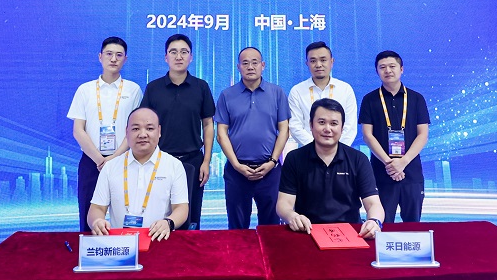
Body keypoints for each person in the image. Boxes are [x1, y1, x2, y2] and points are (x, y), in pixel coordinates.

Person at [277, 98, 384, 238]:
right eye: (321, 122)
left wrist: (374, 221)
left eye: (334, 123)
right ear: (311, 125)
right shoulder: (294, 158)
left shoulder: (358, 159)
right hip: (307, 232)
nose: (327, 129)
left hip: (351, 233)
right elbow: (283, 204)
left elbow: (373, 203)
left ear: (342, 128)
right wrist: (292, 216)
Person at [140, 33, 216, 230]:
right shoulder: (153, 88)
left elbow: (208, 124)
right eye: (173, 52)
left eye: (184, 52)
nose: (179, 56)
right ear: (166, 57)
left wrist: (206, 161)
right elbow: (145, 124)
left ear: (191, 57)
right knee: (158, 215)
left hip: (193, 161)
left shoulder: (201, 87)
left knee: (191, 217)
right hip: (160, 161)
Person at [67, 36, 143, 232]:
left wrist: (114, 158)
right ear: (100, 57)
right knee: (88, 214)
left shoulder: (133, 90)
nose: (113, 59)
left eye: (119, 55)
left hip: (124, 160)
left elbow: (135, 129)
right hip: (92, 161)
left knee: (127, 214)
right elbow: (78, 130)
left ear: (125, 59)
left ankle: (127, 248)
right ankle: (90, 248)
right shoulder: (85, 90)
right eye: (109, 54)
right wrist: (100, 159)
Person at [214, 47, 290, 229]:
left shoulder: (277, 93)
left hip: (270, 170)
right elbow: (221, 133)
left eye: (255, 62)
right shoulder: (226, 95)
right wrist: (236, 165)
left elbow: (284, 130)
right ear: (238, 67)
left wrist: (272, 162)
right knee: (237, 228)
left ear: (263, 65)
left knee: (272, 227)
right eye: (245, 63)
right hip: (237, 171)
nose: (250, 67)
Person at [87, 108, 188, 241]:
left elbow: (181, 207)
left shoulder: (174, 165)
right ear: (126, 132)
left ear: (159, 131)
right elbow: (97, 208)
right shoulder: (111, 167)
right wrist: (97, 221)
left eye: (149, 128)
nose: (142, 134)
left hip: (159, 241)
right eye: (135, 129)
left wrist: (168, 222)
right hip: (119, 243)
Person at [358, 51, 430, 223]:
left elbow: (423, 135)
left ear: (401, 69)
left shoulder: (417, 99)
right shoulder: (369, 100)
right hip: (381, 171)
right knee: (382, 223)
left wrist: (403, 162)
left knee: (413, 224)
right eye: (382, 67)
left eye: (392, 66)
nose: (388, 70)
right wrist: (389, 164)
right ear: (377, 71)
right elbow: (367, 135)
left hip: (411, 171)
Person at [286, 41, 358, 154]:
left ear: (332, 62)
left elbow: (350, 126)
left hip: (340, 155)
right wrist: (316, 148)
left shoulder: (345, 89)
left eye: (323, 60)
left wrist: (336, 150)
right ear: (307, 63)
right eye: (313, 61)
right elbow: (295, 126)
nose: (318, 65)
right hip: (308, 154)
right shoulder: (297, 91)